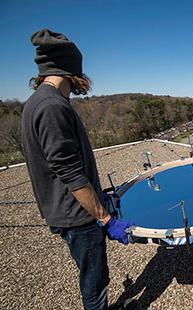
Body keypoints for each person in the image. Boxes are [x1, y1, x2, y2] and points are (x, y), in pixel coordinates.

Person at [21, 29, 134, 310]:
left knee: (95, 276)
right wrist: (106, 219)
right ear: (69, 69)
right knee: (95, 282)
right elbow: (69, 173)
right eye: (80, 71)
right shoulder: (51, 107)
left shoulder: (39, 102)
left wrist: (100, 195)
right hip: (77, 218)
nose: (84, 79)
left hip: (73, 212)